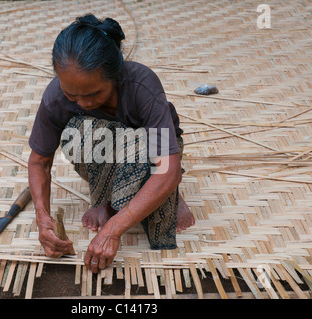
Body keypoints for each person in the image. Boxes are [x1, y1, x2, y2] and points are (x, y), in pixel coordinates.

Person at [28, 14, 194, 274]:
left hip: (151, 153)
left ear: (114, 77)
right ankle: (105, 199)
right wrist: (42, 216)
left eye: (93, 94)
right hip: (110, 153)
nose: (81, 102)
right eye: (72, 94)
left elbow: (167, 169)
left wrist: (113, 230)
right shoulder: (55, 97)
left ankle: (170, 193)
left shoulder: (141, 85)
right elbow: (39, 161)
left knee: (156, 196)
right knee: (76, 135)